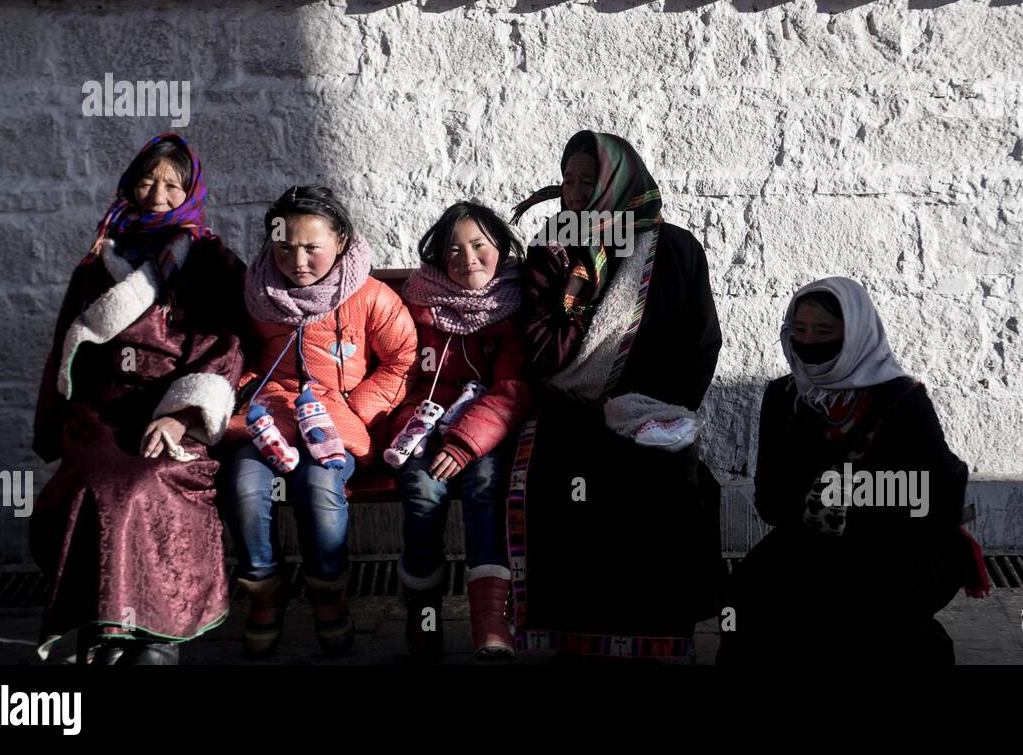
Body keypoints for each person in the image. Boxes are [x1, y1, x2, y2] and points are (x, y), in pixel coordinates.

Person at [30, 133, 247, 664]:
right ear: (130, 184)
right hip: (102, 411)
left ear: (191, 190)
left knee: (147, 482)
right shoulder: (100, 258)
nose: (159, 193)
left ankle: (156, 634)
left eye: (173, 184)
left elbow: (227, 345)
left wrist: (180, 417)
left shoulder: (212, 260)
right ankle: (101, 629)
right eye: (148, 180)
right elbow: (69, 340)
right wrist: (60, 419)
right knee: (90, 484)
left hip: (172, 408)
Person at [507, 130, 723, 660]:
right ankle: (564, 633)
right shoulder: (553, 247)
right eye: (569, 180)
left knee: (668, 478)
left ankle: (661, 632)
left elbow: (701, 339)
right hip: (567, 407)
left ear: (621, 183)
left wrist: (660, 410)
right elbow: (543, 351)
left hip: (654, 407)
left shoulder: (674, 249)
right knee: (558, 478)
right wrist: (577, 295)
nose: (576, 194)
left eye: (590, 180)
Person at [717, 277, 991, 666]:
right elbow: (773, 501)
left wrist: (845, 497)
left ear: (855, 333)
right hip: (813, 538)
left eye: (824, 331)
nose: (808, 341)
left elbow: (939, 492)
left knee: (863, 613)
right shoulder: (784, 398)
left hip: (904, 545)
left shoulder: (901, 399)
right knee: (748, 600)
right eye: (799, 330)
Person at [222, 185, 417, 657]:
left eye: (313, 246)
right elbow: (237, 354)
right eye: (285, 246)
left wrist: (356, 413)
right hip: (270, 416)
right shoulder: (257, 292)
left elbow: (402, 360)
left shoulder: (370, 296)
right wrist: (249, 392)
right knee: (244, 484)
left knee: (319, 484)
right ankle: (264, 590)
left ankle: (329, 593)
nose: (298, 259)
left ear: (342, 242)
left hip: (338, 419)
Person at [388, 200, 531, 661]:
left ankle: (491, 622)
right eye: (453, 249)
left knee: (486, 486)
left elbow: (512, 388)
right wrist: (412, 429)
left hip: (485, 433)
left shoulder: (515, 306)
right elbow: (400, 376)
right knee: (423, 489)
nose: (467, 259)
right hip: (425, 424)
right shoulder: (419, 303)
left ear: (502, 248)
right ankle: (423, 610)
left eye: (478, 246)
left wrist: (465, 442)